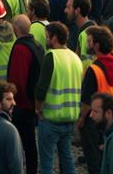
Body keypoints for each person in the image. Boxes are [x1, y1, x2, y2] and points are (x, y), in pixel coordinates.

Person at [79, 26, 113, 174]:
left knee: (94, 162)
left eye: (89, 42)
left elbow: (87, 101)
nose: (87, 45)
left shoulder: (94, 70)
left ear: (97, 45)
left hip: (94, 122)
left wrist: (81, 118)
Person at [35, 21, 82, 174]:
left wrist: (38, 109)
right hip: (69, 118)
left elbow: (41, 89)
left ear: (54, 37)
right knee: (67, 158)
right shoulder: (75, 58)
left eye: (47, 37)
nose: (46, 40)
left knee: (47, 163)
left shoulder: (51, 56)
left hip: (50, 118)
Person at [6, 15, 42, 174]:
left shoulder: (21, 49)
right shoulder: (37, 45)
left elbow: (17, 81)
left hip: (22, 105)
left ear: (15, 29)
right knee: (30, 143)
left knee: (20, 143)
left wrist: (13, 102)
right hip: (32, 102)